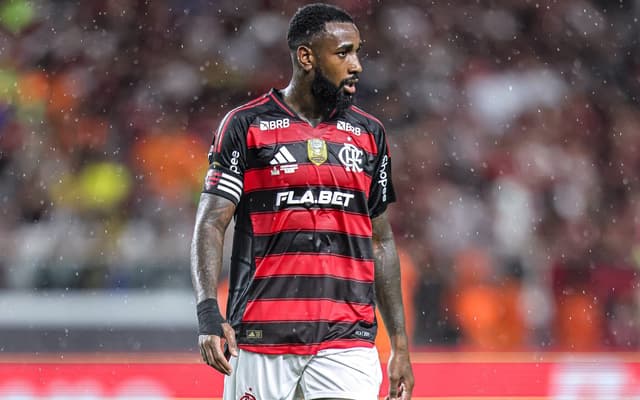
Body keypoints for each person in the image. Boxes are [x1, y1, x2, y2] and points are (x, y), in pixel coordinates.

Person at [190, 3, 414, 400]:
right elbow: (211, 222)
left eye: (357, 51)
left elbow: (380, 241)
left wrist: (399, 345)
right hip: (261, 334)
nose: (357, 65)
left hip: (347, 338)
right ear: (306, 57)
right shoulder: (246, 125)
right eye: (344, 53)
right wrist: (209, 312)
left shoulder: (369, 134)